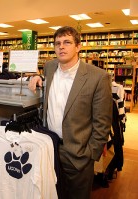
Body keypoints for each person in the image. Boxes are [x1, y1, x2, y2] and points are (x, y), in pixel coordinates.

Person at [28, 26, 112, 199]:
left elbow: (102, 122)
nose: (61, 47)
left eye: (67, 42)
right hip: (49, 149)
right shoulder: (49, 67)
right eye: (57, 43)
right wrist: (37, 77)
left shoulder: (98, 77)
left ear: (78, 46)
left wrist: (89, 154)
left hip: (78, 155)